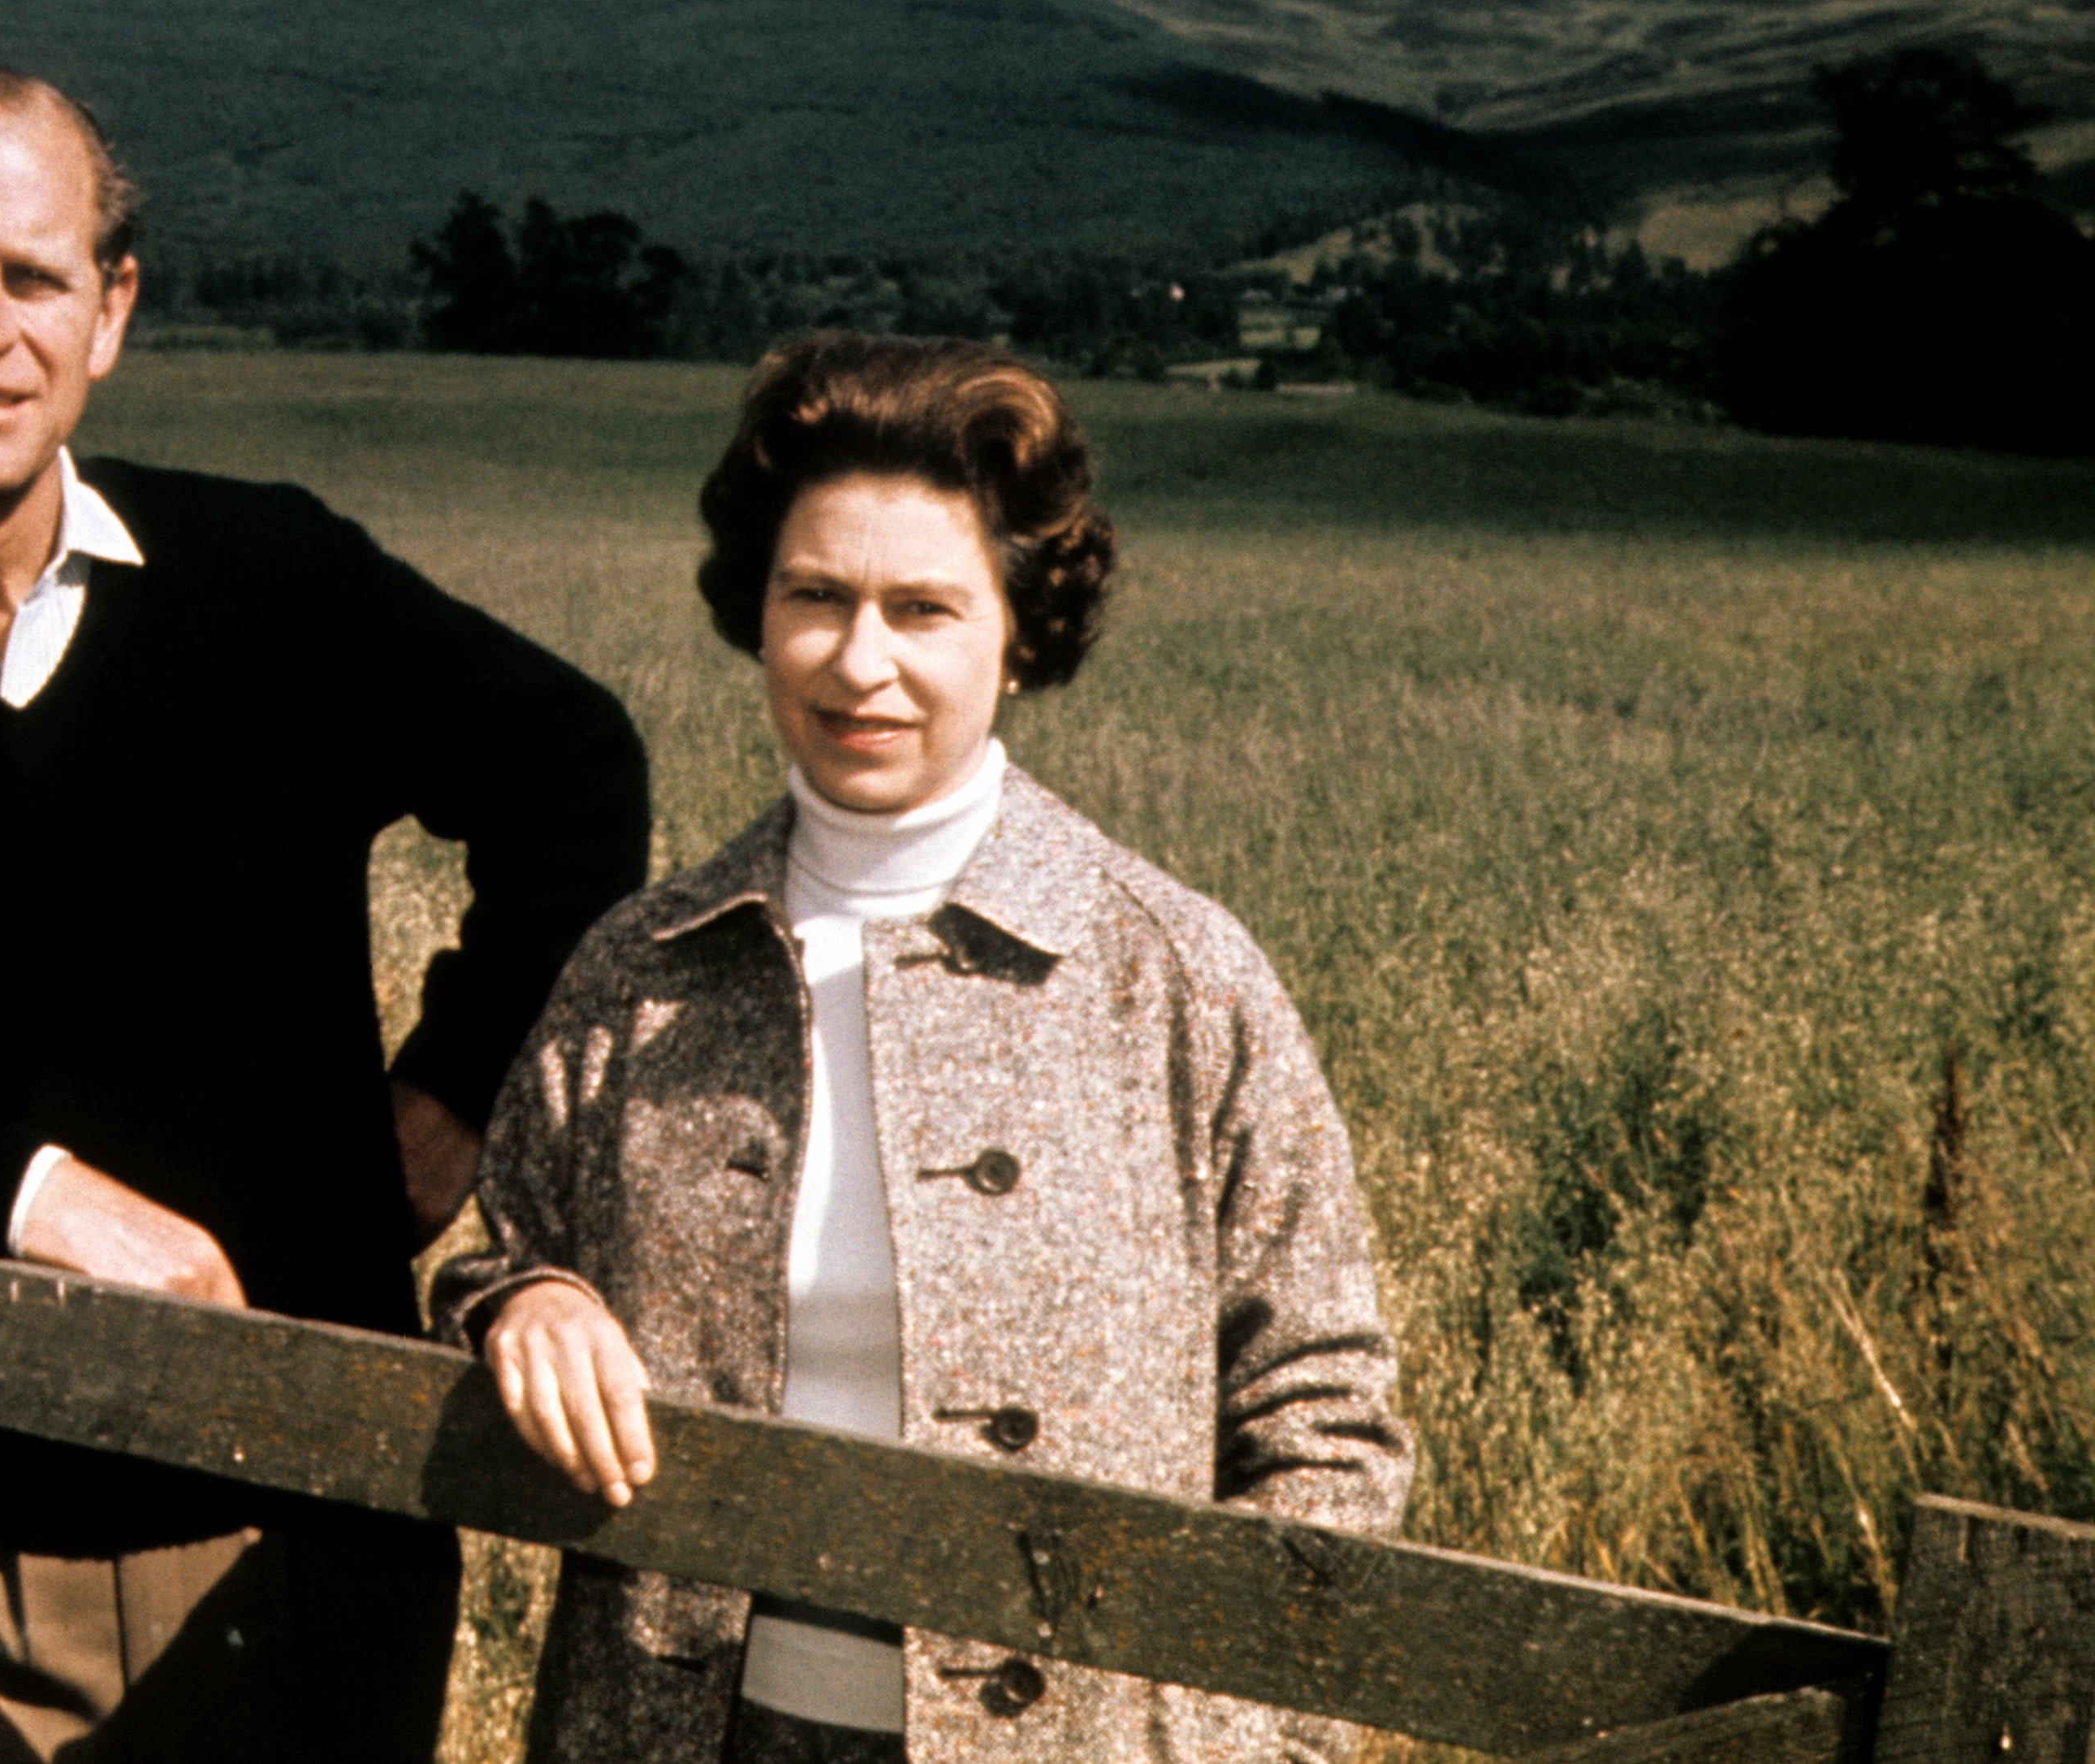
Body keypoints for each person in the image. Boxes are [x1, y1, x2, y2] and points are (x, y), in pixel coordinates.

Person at [0, 61, 651, 1762]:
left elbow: (574, 768)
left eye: (36, 275)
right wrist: (32, 1194)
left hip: (314, 1517)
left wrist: (447, 1095)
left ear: (112, 311)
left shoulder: (268, 582)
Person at [433, 334, 1411, 1764]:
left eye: (925, 609)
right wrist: (528, 1300)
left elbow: (1324, 1422)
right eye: (815, 597)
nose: (860, 661)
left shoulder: (1176, 975)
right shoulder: (637, 970)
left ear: (1018, 635)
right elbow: (494, 1257)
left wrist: (1241, 1739)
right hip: (684, 1730)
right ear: (754, 612)